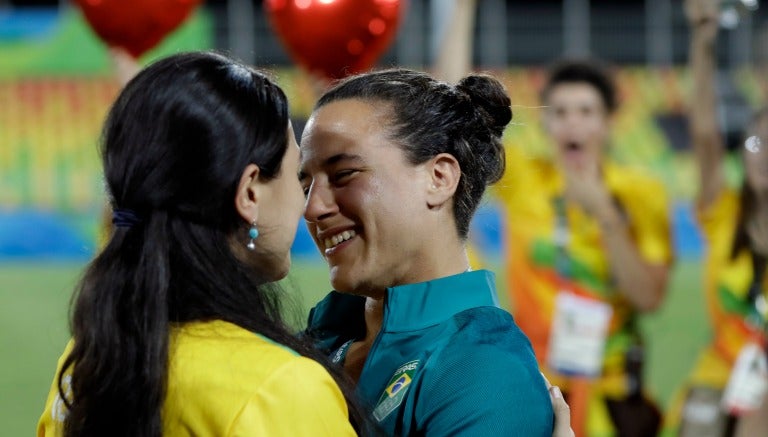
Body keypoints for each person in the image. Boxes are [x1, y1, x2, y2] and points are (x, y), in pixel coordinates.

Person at [37, 51, 367, 436]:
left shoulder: (84, 365)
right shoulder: (279, 387)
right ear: (249, 194)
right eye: (297, 176)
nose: (307, 202)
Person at [298, 67, 555, 436]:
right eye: (306, 185)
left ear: (439, 179)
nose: (312, 208)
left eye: (344, 175)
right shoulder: (329, 327)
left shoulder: (484, 371)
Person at [493, 59, 674, 436]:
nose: (572, 123)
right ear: (546, 124)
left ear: (608, 122)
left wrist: (605, 213)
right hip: (534, 381)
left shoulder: (640, 193)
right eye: (560, 112)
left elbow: (648, 298)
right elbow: (454, 118)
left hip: (613, 386)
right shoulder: (525, 179)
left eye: (586, 111)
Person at [670, 1, 768, 435]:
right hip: (718, 377)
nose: (765, 156)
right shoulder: (724, 211)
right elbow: (704, 133)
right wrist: (703, 41)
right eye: (756, 143)